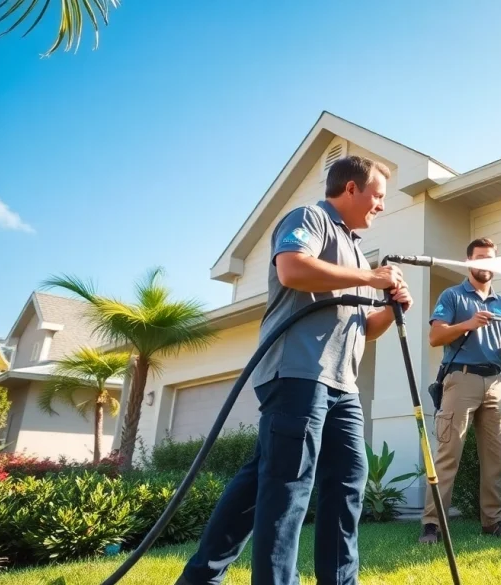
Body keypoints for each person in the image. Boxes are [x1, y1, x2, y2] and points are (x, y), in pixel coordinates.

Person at [175, 155, 413, 585]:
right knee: (289, 485)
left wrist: (392, 309)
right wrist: (370, 279)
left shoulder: (356, 252)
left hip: (342, 383)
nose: (381, 205)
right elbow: (292, 268)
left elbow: (363, 327)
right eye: (377, 195)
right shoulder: (310, 218)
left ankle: (203, 579)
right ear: (351, 188)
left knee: (343, 481)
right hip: (298, 373)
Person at [418, 237, 501, 545]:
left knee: (495, 457)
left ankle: (493, 522)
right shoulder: (452, 296)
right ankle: (432, 525)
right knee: (448, 455)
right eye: (479, 257)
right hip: (461, 379)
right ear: (469, 261)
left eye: (490, 258)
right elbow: (435, 337)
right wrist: (469, 324)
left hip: (495, 383)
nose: (484, 263)